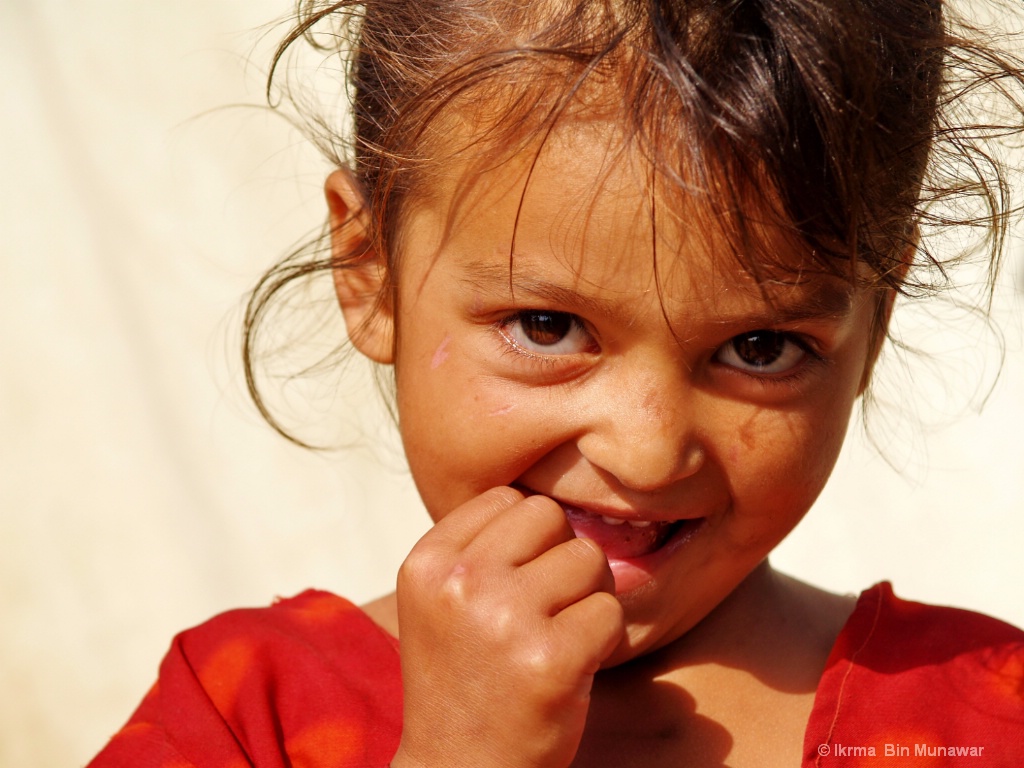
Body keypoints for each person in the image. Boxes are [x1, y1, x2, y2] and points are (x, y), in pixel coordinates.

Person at [89, 0, 1024, 766]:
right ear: (366, 268)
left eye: (761, 348)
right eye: (549, 328)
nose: (650, 452)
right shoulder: (243, 720)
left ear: (877, 319)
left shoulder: (984, 719)